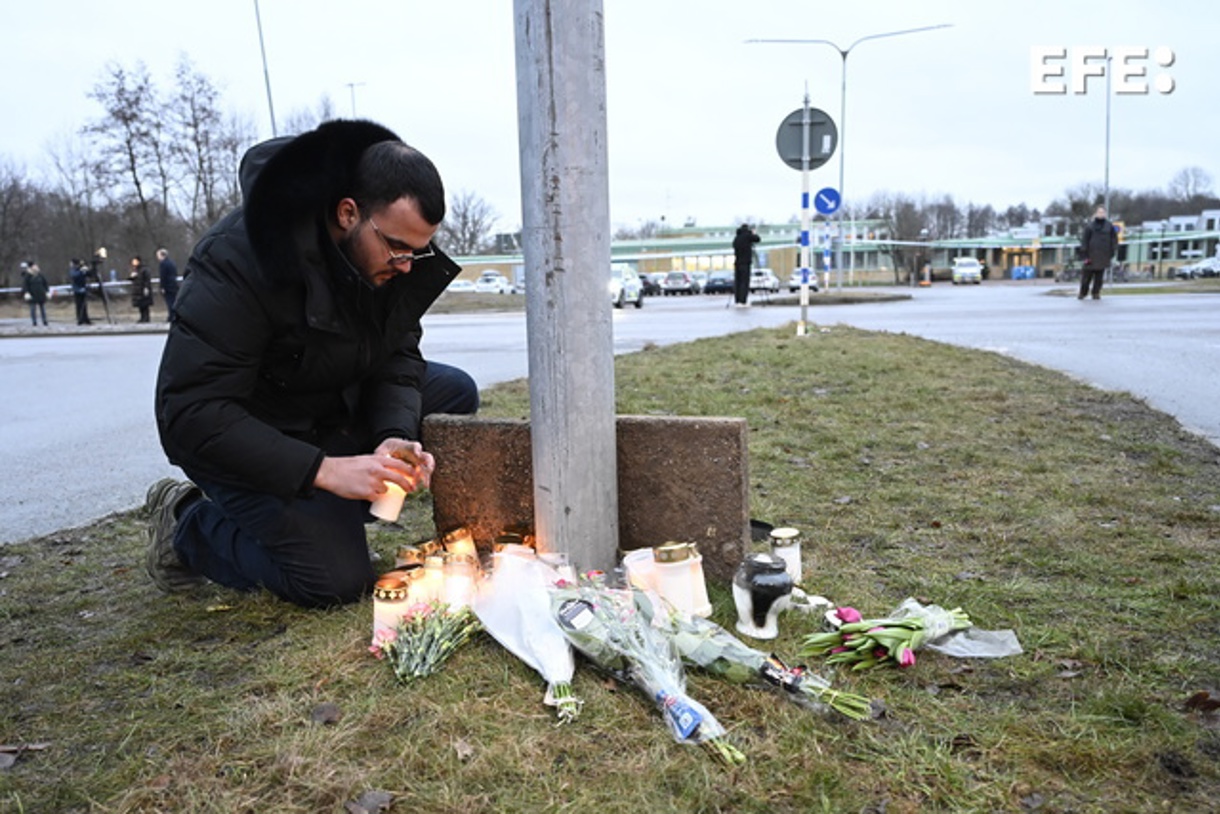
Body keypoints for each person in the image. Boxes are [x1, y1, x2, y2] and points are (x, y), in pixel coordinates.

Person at [147, 119, 479, 609]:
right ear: (348, 213)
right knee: (334, 582)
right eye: (398, 248)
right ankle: (187, 521)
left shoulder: (390, 255)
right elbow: (190, 414)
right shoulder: (239, 259)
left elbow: (398, 355)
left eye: (419, 250)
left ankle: (332, 509)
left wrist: (394, 432)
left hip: (325, 405)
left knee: (453, 393)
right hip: (250, 433)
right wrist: (322, 471)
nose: (408, 265)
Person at [1078, 205, 1117, 300]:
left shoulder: (1109, 226)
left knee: (1099, 278)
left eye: (1103, 212)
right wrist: (1085, 255)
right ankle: (1083, 293)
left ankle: (1096, 292)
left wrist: (1112, 251)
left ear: (1105, 214)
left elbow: (1114, 240)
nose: (1101, 214)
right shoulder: (1090, 226)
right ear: (1095, 213)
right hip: (1090, 256)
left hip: (1103, 256)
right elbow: (1085, 241)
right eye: (1099, 212)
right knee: (1086, 278)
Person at [732, 223, 759, 307]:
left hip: (737, 262)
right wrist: (753, 233)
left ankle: (737, 300)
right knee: (745, 282)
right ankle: (743, 300)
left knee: (738, 282)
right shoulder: (748, 236)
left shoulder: (736, 238)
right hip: (746, 262)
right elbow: (757, 239)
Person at [22, 262, 50, 326]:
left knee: (42, 308)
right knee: (33, 308)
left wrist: (47, 291)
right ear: (31, 267)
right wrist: (26, 292)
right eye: (34, 266)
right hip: (32, 294)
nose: (36, 267)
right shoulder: (28, 276)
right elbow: (25, 285)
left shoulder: (40, 275)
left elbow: (45, 283)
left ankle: (44, 320)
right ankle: (34, 321)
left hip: (41, 294)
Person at [156, 248, 180, 318]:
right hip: (174, 284)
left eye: (158, 255)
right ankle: (175, 315)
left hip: (167, 285)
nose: (157, 257)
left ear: (162, 255)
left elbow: (163, 276)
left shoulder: (163, 264)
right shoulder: (172, 262)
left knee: (169, 301)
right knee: (174, 300)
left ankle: (171, 315)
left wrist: (162, 286)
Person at [129, 255, 154, 322]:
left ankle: (146, 318)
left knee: (145, 305)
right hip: (138, 290)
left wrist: (146, 287)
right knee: (140, 305)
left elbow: (147, 279)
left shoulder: (144, 269)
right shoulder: (136, 270)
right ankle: (142, 317)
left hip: (142, 289)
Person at [69, 258, 92, 325]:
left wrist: (86, 270)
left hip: (83, 289)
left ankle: (85, 318)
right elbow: (74, 275)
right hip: (77, 290)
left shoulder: (79, 269)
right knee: (79, 305)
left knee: (84, 305)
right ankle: (80, 318)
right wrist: (81, 271)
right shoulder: (74, 270)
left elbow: (88, 275)